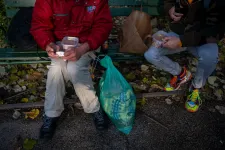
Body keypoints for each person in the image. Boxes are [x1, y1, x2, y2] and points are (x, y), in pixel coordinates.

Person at [30, 0, 113, 139]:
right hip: (59, 44)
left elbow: (103, 26)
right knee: (56, 68)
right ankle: (51, 115)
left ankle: (94, 108)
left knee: (75, 68)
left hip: (86, 44)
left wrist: (83, 48)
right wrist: (48, 44)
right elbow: (39, 25)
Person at [144, 0, 225, 112]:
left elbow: (216, 30)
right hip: (177, 33)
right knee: (150, 54)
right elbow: (167, 2)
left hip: (203, 40)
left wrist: (182, 41)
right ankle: (181, 74)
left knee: (210, 57)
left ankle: (196, 87)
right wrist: (170, 9)